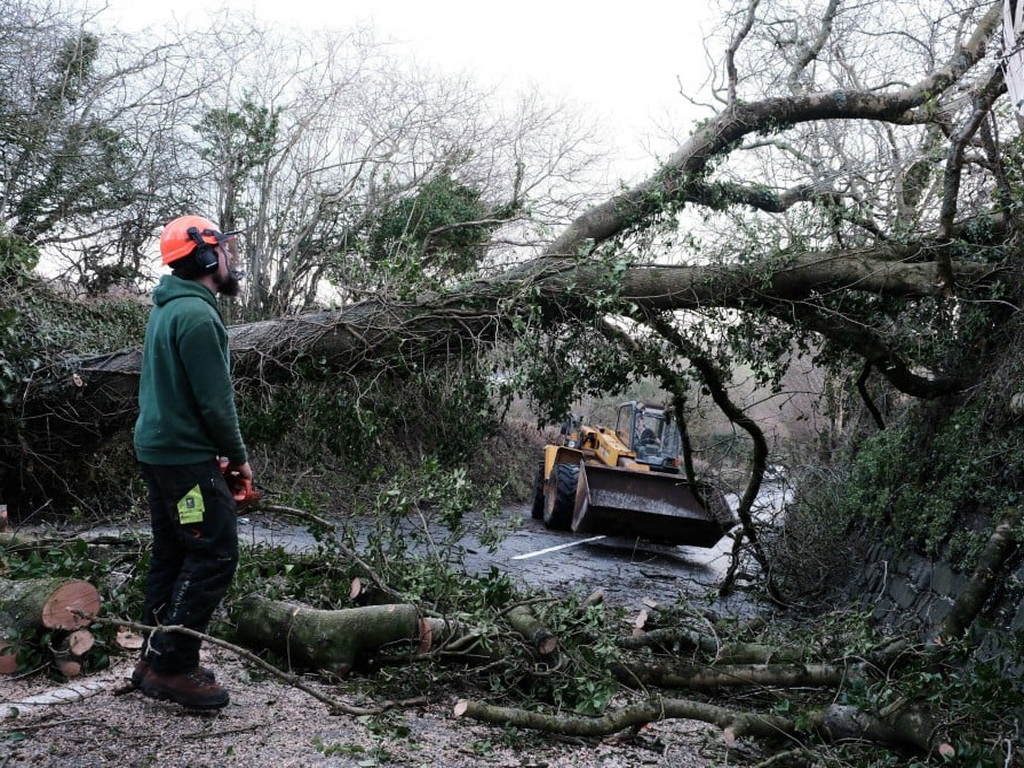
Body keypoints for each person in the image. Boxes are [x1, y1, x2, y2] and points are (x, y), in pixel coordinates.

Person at [131, 215, 253, 710]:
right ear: (206, 257)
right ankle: (172, 666)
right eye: (224, 250)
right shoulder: (199, 317)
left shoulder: (167, 309)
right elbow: (216, 402)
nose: (230, 259)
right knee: (214, 554)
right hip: (183, 461)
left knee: (174, 553)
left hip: (162, 454)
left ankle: (152, 655)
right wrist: (239, 459)